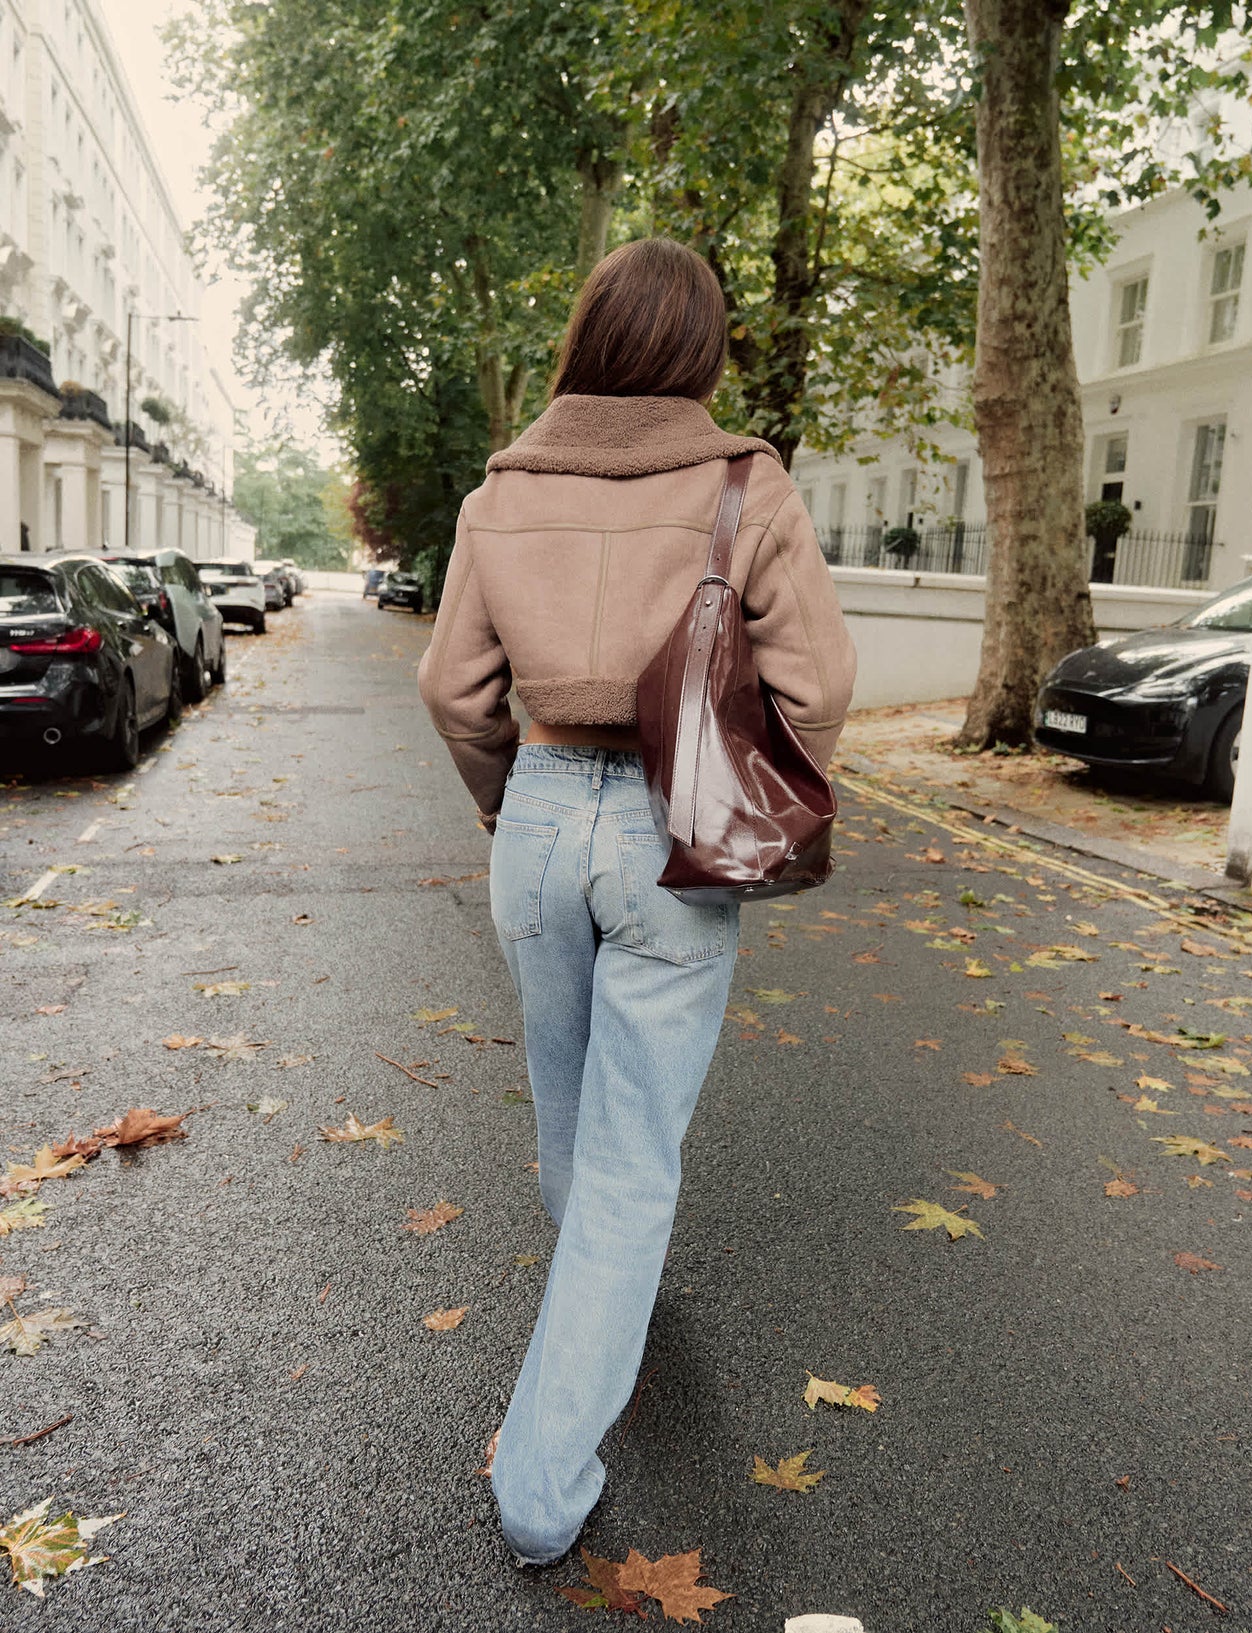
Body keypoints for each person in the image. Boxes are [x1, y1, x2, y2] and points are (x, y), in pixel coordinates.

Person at [418, 237, 856, 1567]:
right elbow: (820, 686)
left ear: (586, 337)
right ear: (702, 350)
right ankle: (543, 1487)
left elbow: (451, 687)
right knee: (630, 1160)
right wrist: (753, 785)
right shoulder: (747, 481)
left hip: (541, 809)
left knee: (569, 1119)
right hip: (675, 822)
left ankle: (600, 1302)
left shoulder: (503, 487)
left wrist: (506, 803)